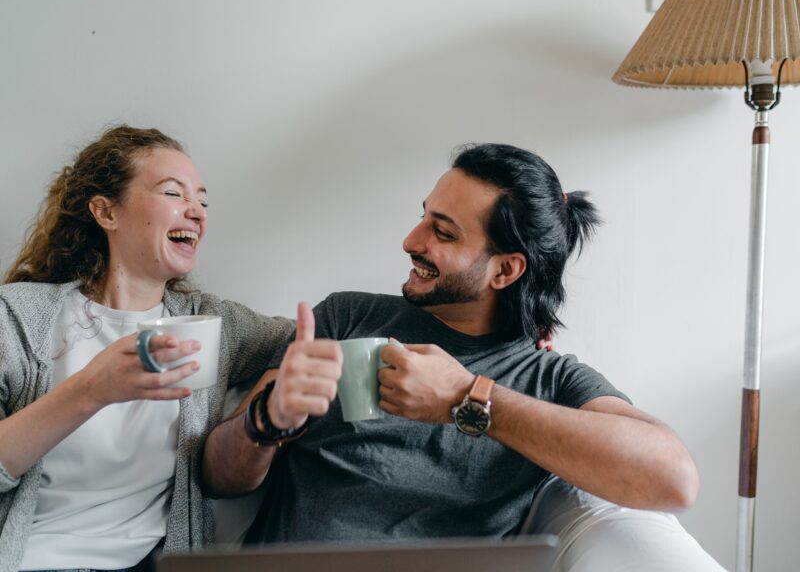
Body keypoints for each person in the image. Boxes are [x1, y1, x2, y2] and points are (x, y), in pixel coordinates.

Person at [202, 143, 724, 570]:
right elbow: (218, 476)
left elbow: (675, 480)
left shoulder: (548, 378)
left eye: (443, 232)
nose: (411, 240)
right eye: (423, 217)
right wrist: (266, 419)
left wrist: (464, 398)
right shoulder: (345, 318)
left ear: (505, 271)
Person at [0, 125, 294, 572]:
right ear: (105, 211)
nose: (197, 212)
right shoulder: (17, 316)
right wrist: (91, 390)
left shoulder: (213, 325)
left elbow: (316, 336)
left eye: (203, 200)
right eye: (174, 194)